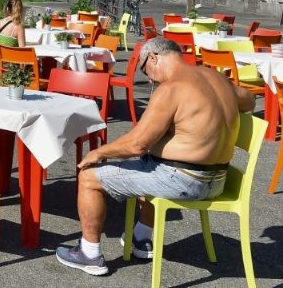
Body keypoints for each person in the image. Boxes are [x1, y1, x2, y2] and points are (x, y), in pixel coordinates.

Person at [56, 37, 255, 276]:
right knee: (148, 165)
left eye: (145, 70)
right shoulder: (217, 77)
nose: (149, 78)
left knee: (89, 177)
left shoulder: (170, 88)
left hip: (184, 181)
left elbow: (138, 144)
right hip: (218, 181)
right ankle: (141, 239)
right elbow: (250, 101)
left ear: (153, 58)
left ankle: (89, 254)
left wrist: (98, 153)